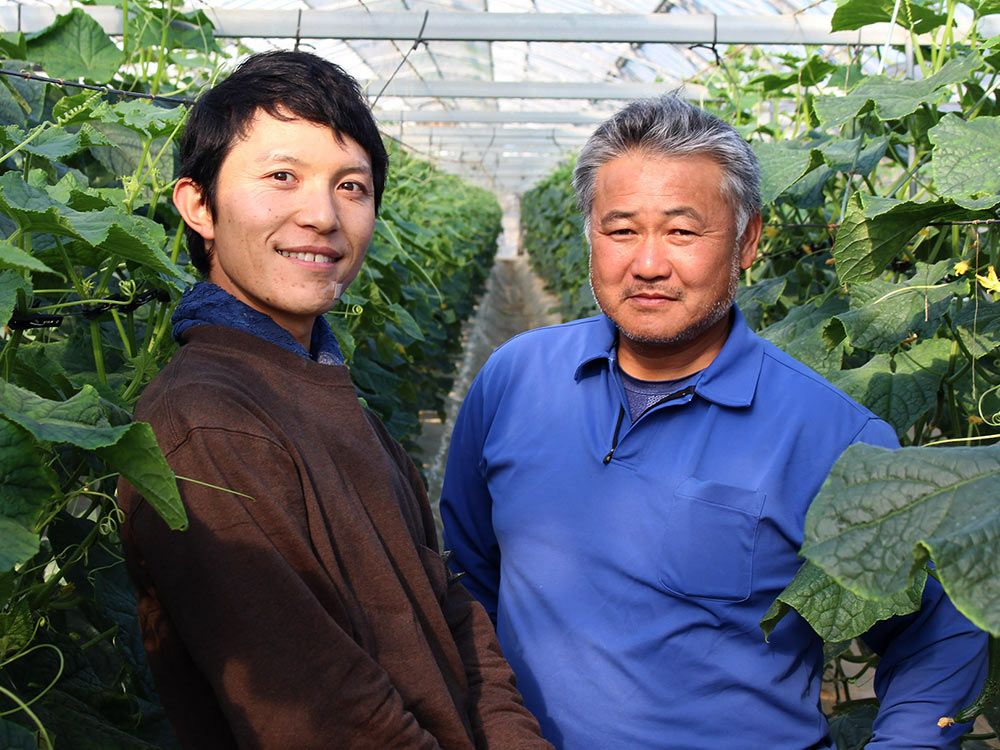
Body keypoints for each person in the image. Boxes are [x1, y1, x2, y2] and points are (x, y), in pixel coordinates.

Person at [440, 95, 987, 749]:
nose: (648, 264)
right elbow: (470, 570)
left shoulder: (836, 438)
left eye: (682, 232)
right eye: (621, 231)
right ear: (590, 235)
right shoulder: (515, 379)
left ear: (747, 241)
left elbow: (936, 633)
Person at [117, 50, 550, 750]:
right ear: (199, 205)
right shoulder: (203, 426)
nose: (322, 216)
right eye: (281, 177)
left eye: (351, 186)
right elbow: (326, 716)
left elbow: (453, 616)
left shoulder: (334, 397)